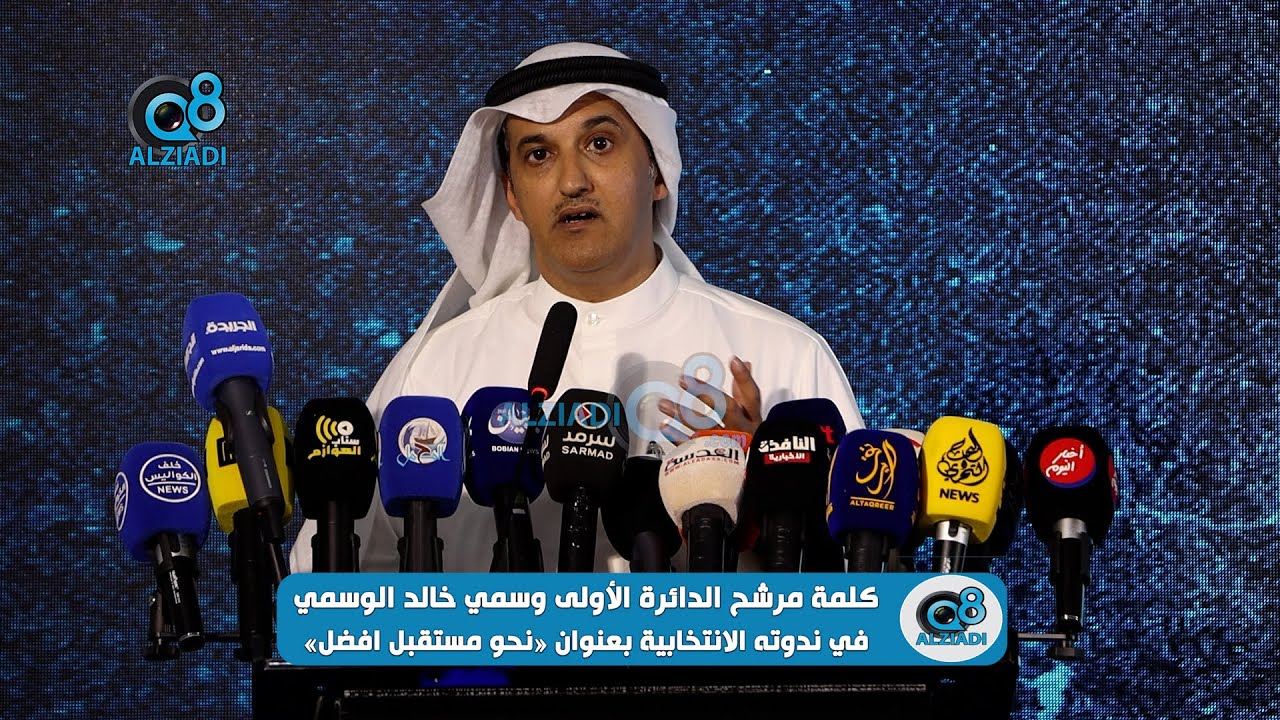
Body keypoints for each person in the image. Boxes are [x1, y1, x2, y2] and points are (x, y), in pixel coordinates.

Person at [289, 41, 865, 573]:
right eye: (539, 155)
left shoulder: (784, 357)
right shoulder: (441, 367)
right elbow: (337, 584)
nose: (571, 181)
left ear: (657, 171)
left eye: (599, 144)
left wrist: (770, 501)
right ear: (513, 195)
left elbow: (858, 592)